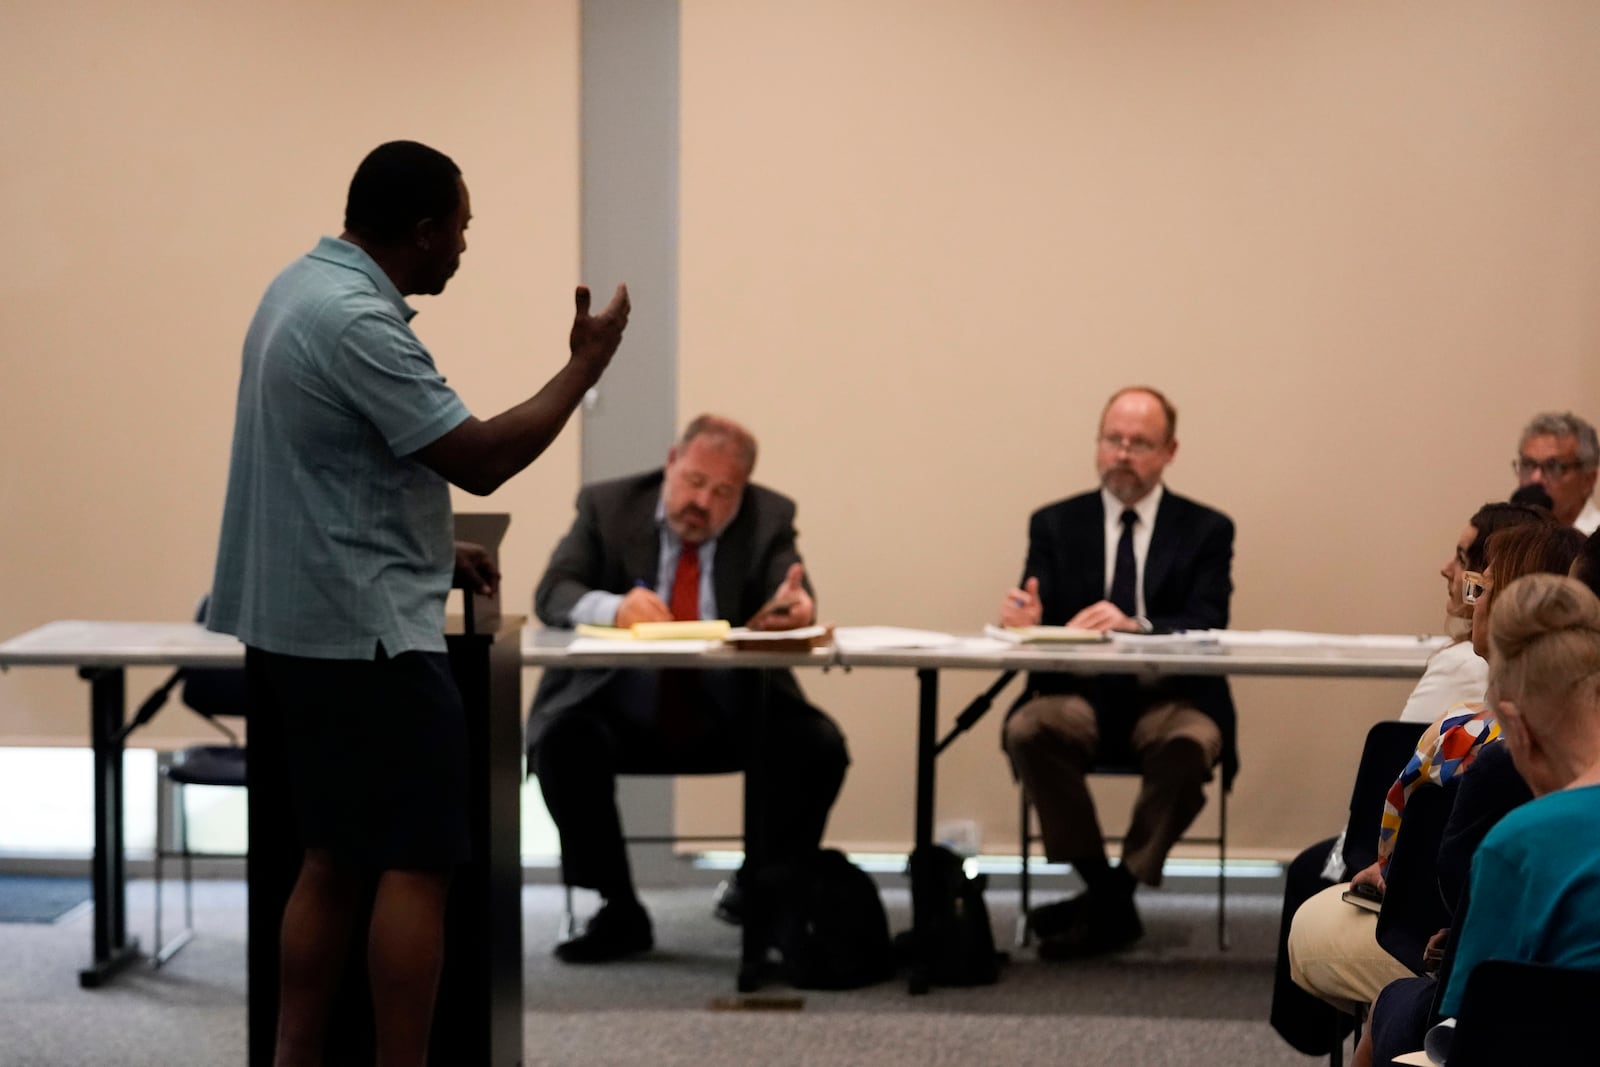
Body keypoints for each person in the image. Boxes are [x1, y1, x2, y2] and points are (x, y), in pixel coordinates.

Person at [206, 140, 630, 1067]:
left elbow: (323, 477)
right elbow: (478, 456)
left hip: (301, 628)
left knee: (332, 857)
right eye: (464, 228)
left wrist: (429, 548)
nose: (467, 247)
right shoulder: (360, 321)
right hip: (371, 648)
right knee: (415, 865)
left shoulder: (297, 290)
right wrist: (584, 369)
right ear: (426, 231)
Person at [527, 413, 850, 964]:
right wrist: (614, 608)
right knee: (561, 742)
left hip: (728, 709)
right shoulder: (607, 506)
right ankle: (617, 906)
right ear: (672, 464)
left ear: (742, 491)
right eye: (696, 482)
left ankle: (762, 888)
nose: (703, 502)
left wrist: (792, 613)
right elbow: (554, 591)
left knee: (817, 745)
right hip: (618, 707)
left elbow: (792, 591)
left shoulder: (769, 516)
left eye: (723, 492)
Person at [1287, 522, 1582, 1016]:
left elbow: (1398, 855)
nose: (1470, 599)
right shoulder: (1571, 737)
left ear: (1515, 603)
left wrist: (1387, 872)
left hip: (1455, 950)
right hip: (1548, 964)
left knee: (1319, 927)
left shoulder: (1462, 735)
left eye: (1480, 586)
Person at [999, 385, 1235, 958]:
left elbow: (1209, 620)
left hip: (1169, 696)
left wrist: (1137, 624)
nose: (1123, 454)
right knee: (1029, 729)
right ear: (1098, 444)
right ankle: (1109, 894)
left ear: (1170, 451)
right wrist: (1027, 619)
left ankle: (1112, 897)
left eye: (1140, 443)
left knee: (1191, 742)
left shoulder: (1206, 529)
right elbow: (1041, 610)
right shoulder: (1055, 523)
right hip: (1077, 694)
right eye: (1113, 440)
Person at [1513, 411, 1600, 533]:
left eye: (1553, 467)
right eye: (1528, 464)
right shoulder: (1510, 536)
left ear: (1588, 480)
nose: (1535, 478)